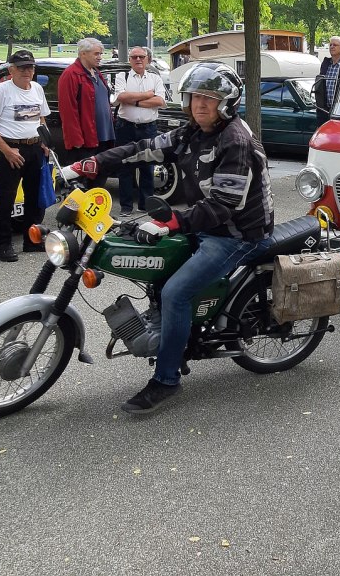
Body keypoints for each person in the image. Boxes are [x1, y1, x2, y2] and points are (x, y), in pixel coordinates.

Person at [61, 62, 275, 415]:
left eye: (210, 98)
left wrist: (172, 223)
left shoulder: (235, 141)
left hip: (238, 233)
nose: (200, 105)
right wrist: (88, 165)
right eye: (195, 97)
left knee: (176, 292)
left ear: (226, 103)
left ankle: (166, 379)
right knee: (156, 269)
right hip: (207, 224)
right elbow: (142, 148)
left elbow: (223, 206)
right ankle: (169, 331)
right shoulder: (192, 133)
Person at [0, 50, 51, 262]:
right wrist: (6, 150)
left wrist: (45, 142)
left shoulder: (37, 88)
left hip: (35, 148)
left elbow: (41, 119)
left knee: (35, 199)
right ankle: (3, 244)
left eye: (30, 67)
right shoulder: (2, 91)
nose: (26, 71)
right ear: (11, 70)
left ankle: (32, 240)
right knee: (6, 199)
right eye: (21, 68)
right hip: (11, 149)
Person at [111, 47, 166, 217]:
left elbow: (160, 101)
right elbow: (121, 97)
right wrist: (147, 94)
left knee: (147, 167)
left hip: (148, 128)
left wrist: (134, 101)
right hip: (125, 127)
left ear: (148, 59)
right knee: (125, 166)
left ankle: (145, 205)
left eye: (141, 56)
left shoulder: (156, 78)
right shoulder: (122, 77)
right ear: (130, 60)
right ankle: (126, 207)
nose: (138, 60)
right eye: (134, 57)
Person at [58, 37, 115, 186]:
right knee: (84, 184)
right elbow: (68, 111)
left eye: (101, 54)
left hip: (103, 138)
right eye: (96, 54)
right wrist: (76, 140)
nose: (100, 57)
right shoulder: (71, 74)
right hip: (85, 143)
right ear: (83, 53)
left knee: (99, 180)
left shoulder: (96, 72)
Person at [315, 36, 340, 122]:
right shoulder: (325, 64)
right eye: (330, 45)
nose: (332, 47)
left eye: (335, 45)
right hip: (324, 111)